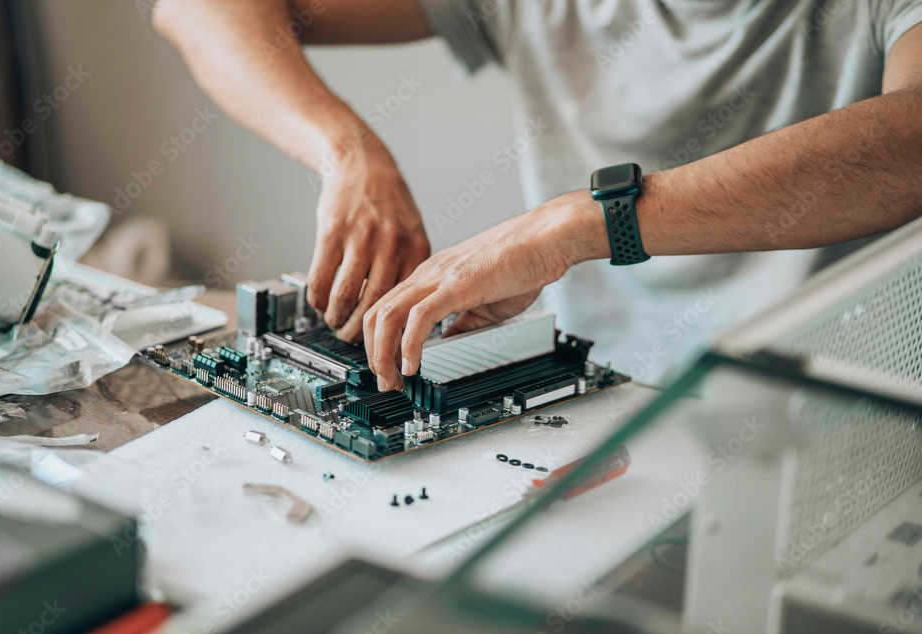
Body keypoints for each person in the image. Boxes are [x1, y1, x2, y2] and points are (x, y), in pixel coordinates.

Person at [155, 0, 922, 391]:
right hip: (598, 403)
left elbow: (911, 137)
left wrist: (575, 225)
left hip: (837, 430)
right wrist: (348, 152)